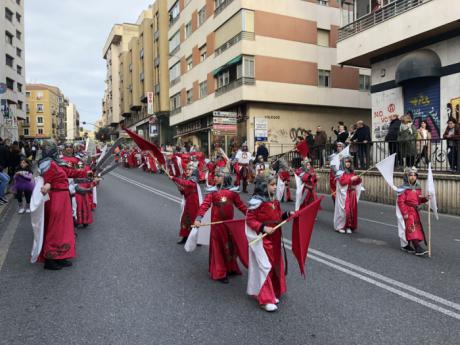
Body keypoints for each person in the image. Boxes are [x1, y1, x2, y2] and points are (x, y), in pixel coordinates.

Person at [38, 143, 94, 270]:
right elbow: (47, 180)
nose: (57, 152)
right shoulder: (47, 164)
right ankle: (50, 259)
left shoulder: (55, 163)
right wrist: (46, 186)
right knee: (55, 229)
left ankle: (61, 256)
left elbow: (69, 172)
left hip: (63, 198)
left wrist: (86, 173)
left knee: (64, 228)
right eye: (54, 150)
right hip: (56, 199)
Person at [246, 174, 292, 312]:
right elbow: (250, 219)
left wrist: (287, 214)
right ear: (264, 186)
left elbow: (278, 216)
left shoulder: (274, 201)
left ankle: (271, 293)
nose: (275, 186)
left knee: (273, 265)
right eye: (272, 184)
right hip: (263, 238)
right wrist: (263, 228)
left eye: (274, 184)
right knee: (265, 266)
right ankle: (265, 299)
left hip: (275, 237)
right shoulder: (256, 202)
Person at [194, 168, 247, 283]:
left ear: (225, 178)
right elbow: (204, 206)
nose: (215, 178)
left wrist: (251, 216)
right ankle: (220, 273)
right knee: (218, 249)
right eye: (215, 176)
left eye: (218, 176)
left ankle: (231, 268)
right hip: (216, 226)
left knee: (229, 247)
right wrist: (199, 218)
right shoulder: (212, 193)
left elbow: (241, 206)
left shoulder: (233, 193)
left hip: (229, 225)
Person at [396, 167, 429, 256]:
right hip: (408, 211)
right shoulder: (403, 188)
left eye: (415, 175)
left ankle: (411, 244)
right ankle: (417, 247)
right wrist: (405, 213)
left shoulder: (418, 187)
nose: (413, 177)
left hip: (415, 212)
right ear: (407, 176)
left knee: (416, 228)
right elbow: (400, 202)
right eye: (411, 175)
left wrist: (426, 198)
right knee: (411, 228)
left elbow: (419, 200)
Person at [168, 162, 201, 244]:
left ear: (193, 171)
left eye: (190, 170)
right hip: (188, 203)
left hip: (194, 204)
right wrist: (181, 189)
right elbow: (185, 192)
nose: (187, 171)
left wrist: (174, 178)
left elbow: (187, 184)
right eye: (187, 169)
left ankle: (197, 239)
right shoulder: (189, 179)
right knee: (185, 220)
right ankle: (185, 237)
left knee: (194, 221)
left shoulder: (193, 180)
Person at [333, 155, 362, 234]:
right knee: (345, 211)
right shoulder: (340, 173)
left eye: (349, 162)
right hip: (345, 195)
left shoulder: (352, 172)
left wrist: (358, 179)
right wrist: (350, 179)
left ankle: (349, 226)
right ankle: (340, 226)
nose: (348, 163)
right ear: (343, 163)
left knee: (352, 211)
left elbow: (356, 183)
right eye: (346, 162)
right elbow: (342, 182)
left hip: (352, 194)